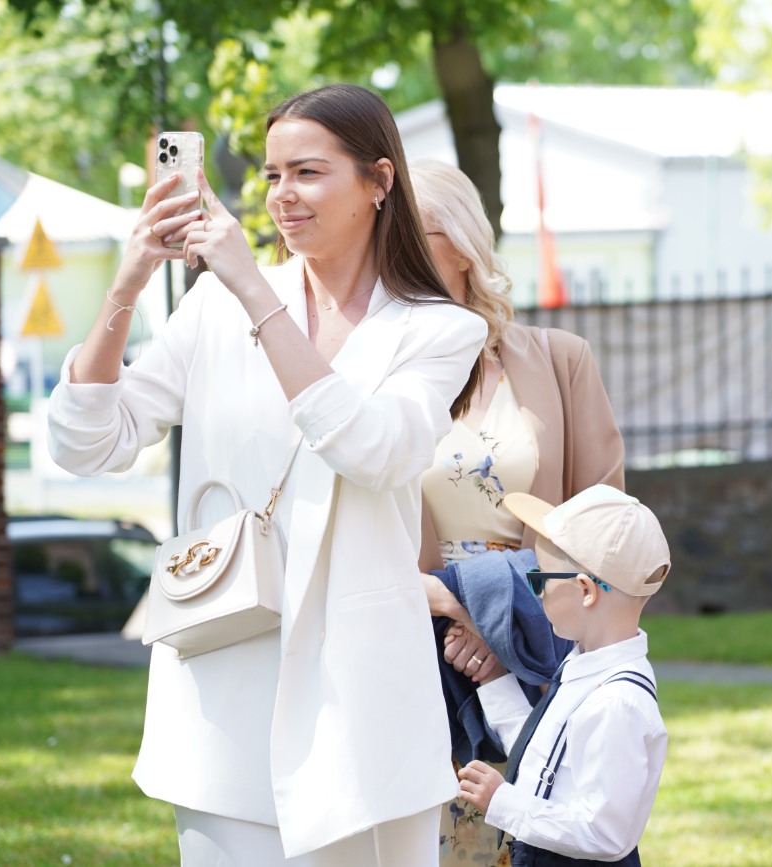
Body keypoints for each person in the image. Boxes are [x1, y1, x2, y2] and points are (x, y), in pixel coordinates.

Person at [47, 84, 487, 866]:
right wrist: (128, 282)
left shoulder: (440, 329)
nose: (283, 197)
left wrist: (252, 285)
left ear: (379, 180)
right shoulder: (214, 309)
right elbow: (89, 444)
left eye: (308, 173)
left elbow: (371, 448)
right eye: (272, 175)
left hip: (363, 706)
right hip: (223, 685)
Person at [406, 159, 627, 866]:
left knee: (545, 842)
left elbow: (606, 530)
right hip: (422, 649)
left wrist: (486, 612)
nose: (393, 249)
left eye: (413, 230)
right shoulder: (375, 376)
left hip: (542, 644)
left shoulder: (560, 361)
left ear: (465, 245)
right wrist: (448, 615)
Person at [455, 485, 669, 866]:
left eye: (542, 580)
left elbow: (605, 833)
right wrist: (494, 679)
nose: (537, 594)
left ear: (586, 590)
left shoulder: (616, 703)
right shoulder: (582, 666)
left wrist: (504, 802)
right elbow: (544, 759)